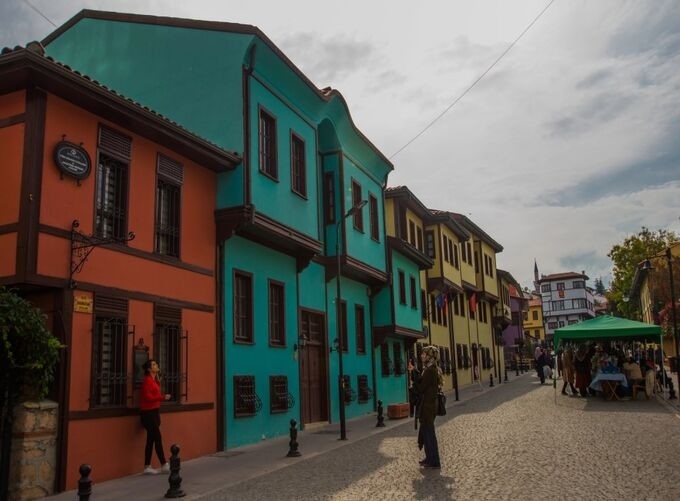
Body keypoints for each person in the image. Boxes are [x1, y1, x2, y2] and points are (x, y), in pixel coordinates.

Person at [408, 345, 442, 469]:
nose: (422, 356)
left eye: (424, 354)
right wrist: (414, 371)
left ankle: (434, 460)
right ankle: (430, 458)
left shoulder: (431, 370)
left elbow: (421, 386)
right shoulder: (430, 369)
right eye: (422, 354)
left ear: (429, 356)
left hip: (428, 407)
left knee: (429, 434)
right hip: (428, 406)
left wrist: (414, 373)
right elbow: (422, 381)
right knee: (427, 433)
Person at [140, 359, 171, 474]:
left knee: (151, 440)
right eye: (153, 365)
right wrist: (163, 397)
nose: (156, 365)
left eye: (156, 364)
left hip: (154, 412)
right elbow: (148, 398)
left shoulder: (154, 381)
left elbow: (155, 395)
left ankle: (147, 466)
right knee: (157, 437)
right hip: (147, 414)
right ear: (149, 369)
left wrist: (158, 381)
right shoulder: (147, 381)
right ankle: (164, 464)